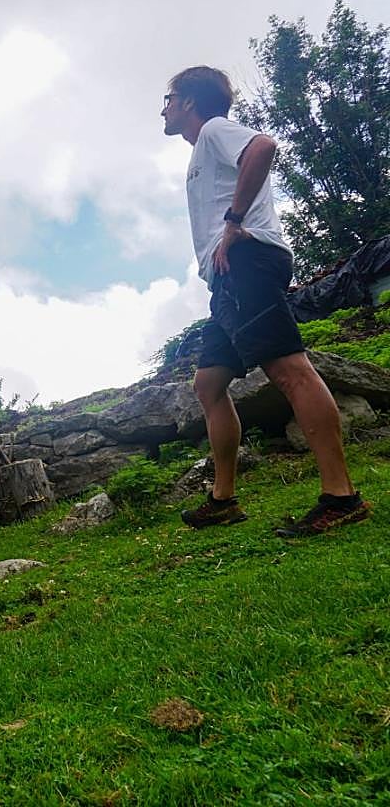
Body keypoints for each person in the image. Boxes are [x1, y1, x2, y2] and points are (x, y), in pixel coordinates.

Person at [161, 65, 370, 537]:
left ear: (190, 102)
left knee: (289, 371)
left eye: (169, 99)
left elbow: (263, 146)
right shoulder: (202, 154)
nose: (165, 109)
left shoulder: (214, 130)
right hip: (228, 278)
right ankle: (224, 499)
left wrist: (234, 222)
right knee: (208, 384)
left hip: (248, 261)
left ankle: (341, 496)